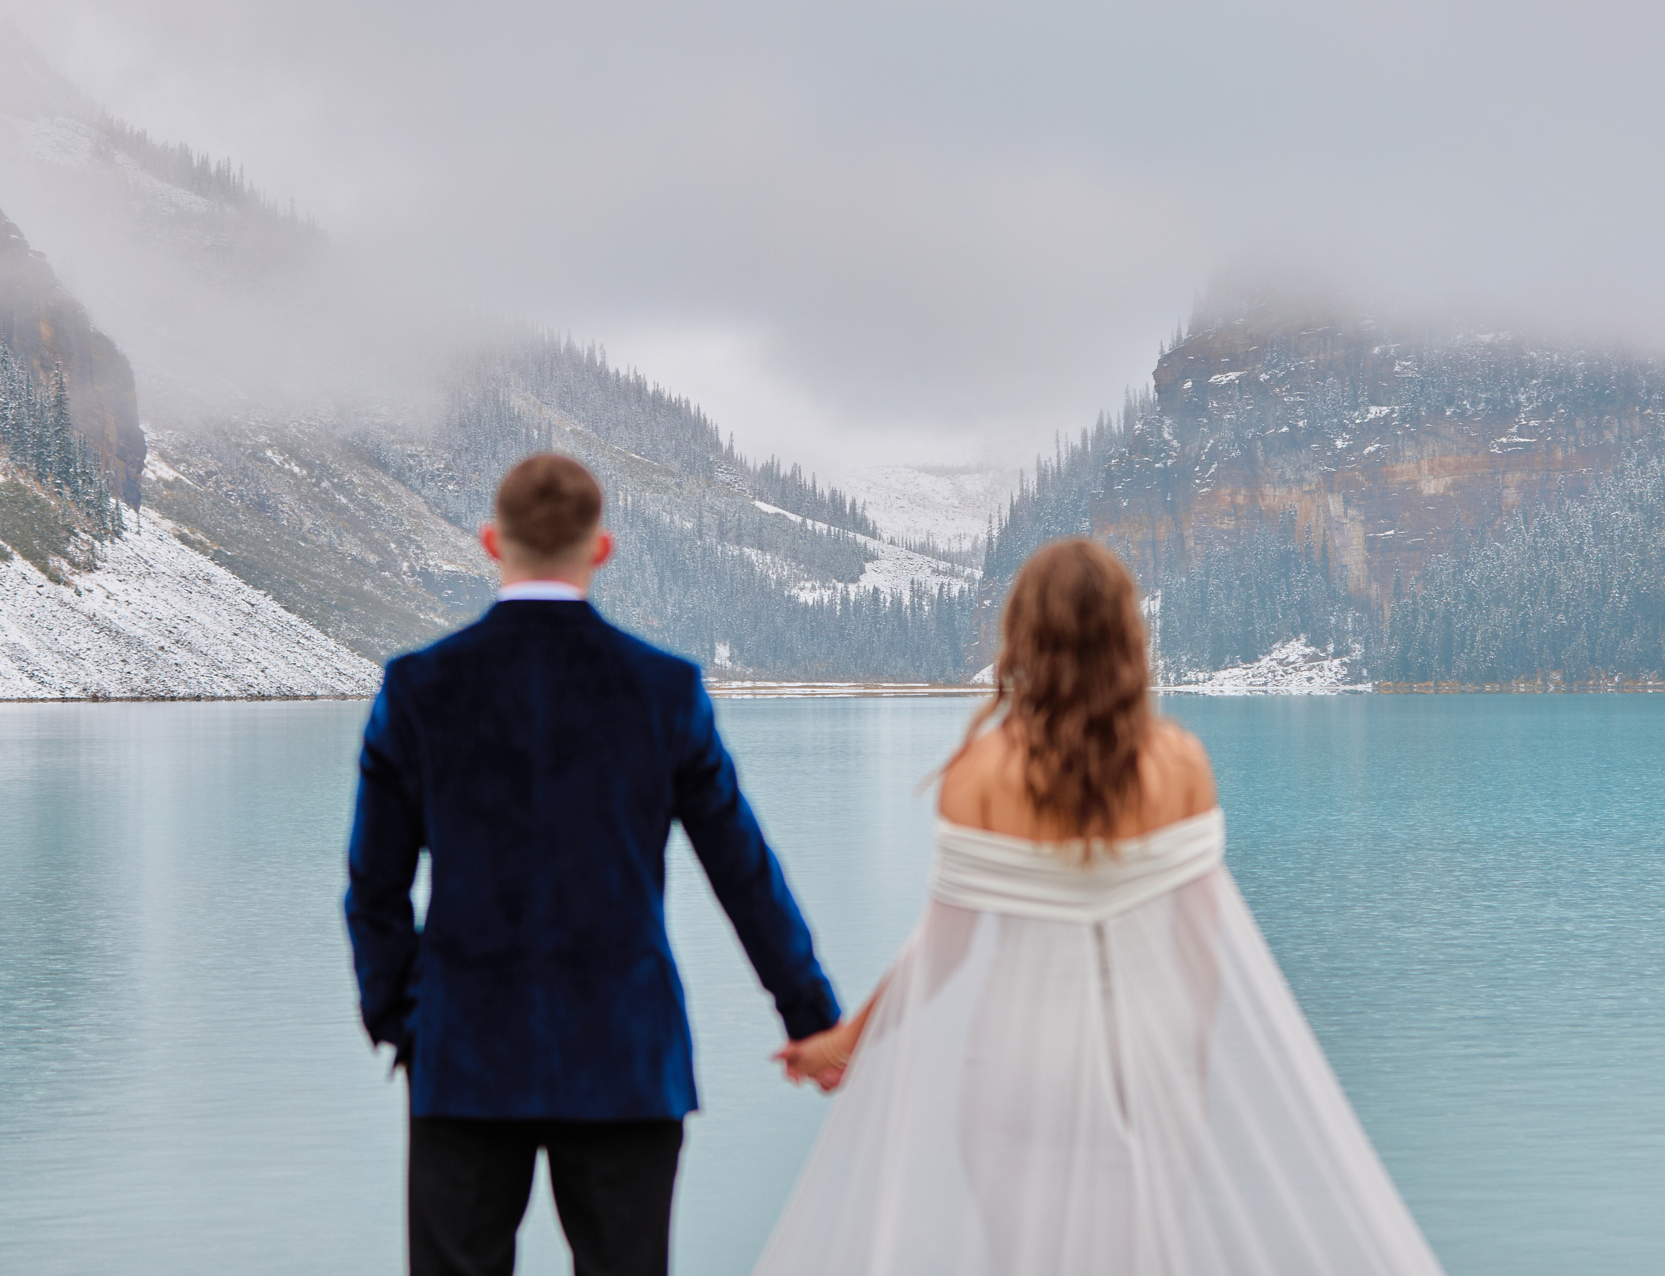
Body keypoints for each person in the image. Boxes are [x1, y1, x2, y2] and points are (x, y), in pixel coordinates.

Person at [753, 538, 1449, 1276]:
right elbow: (1201, 955)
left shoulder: (980, 771)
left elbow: (943, 951)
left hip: (1018, 1065)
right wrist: (1183, 1066)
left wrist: (846, 1039)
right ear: (1127, 637)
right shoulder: (1180, 762)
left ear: (1023, 636)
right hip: (1147, 1062)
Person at [346, 453, 841, 1276]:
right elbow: (742, 869)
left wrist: (405, 1021)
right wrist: (812, 1018)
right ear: (601, 549)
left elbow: (374, 889)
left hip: (465, 1050)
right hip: (625, 1052)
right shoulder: (663, 690)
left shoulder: (418, 688)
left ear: (490, 542)